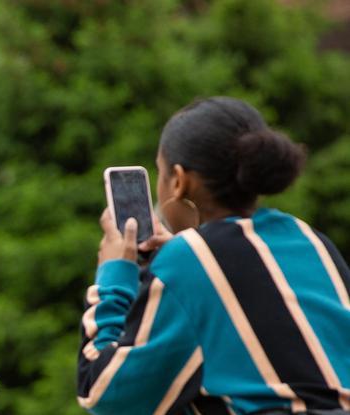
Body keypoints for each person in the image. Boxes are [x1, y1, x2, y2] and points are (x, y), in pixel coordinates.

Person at [78, 97, 350, 414]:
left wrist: (114, 276)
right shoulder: (309, 239)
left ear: (179, 181)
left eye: (160, 172)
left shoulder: (188, 260)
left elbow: (107, 395)